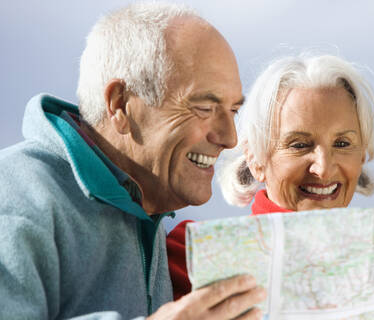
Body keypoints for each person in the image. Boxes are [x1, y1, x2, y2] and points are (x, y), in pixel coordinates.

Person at [0, 3, 266, 319]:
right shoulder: (14, 200)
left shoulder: (145, 207)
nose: (229, 137)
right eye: (205, 108)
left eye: (233, 111)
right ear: (120, 104)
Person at [167, 54, 374, 319]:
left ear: (363, 155)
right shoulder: (194, 255)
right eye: (299, 144)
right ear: (256, 159)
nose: (324, 167)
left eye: (343, 143)